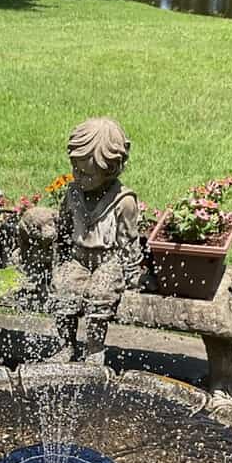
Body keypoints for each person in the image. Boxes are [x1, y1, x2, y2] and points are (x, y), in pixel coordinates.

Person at [49, 117, 142, 363]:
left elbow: (129, 241)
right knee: (64, 287)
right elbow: (64, 229)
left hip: (108, 260)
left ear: (111, 170)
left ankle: (94, 348)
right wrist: (59, 260)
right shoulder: (73, 194)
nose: (79, 178)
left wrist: (133, 277)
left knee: (100, 293)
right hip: (79, 258)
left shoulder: (124, 202)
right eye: (76, 170)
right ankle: (66, 345)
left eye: (88, 174)